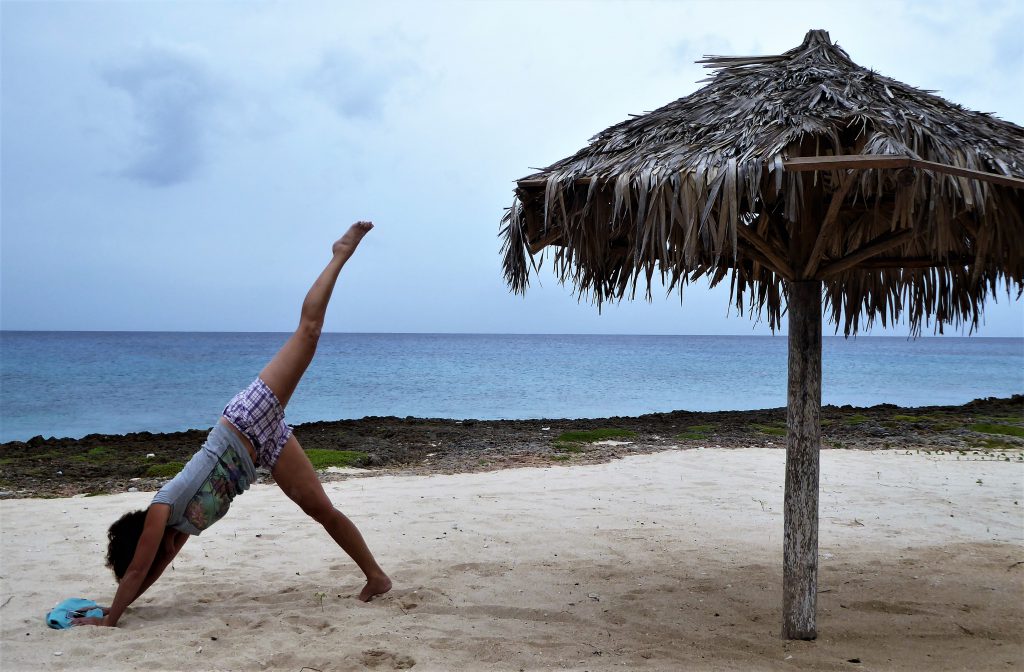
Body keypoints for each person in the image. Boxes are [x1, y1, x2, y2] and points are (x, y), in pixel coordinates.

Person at [74, 221, 391, 627]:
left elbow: (137, 571)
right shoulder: (179, 531)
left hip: (244, 421)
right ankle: (377, 577)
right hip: (262, 449)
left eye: (140, 553)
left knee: (308, 334)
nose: (153, 558)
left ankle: (339, 254)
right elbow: (145, 575)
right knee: (322, 510)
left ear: (141, 542)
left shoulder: (162, 508)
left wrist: (109, 620)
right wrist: (119, 606)